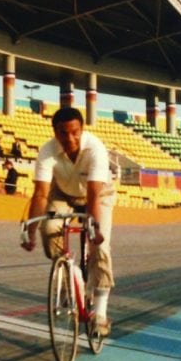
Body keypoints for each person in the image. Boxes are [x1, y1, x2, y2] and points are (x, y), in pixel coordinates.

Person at [21, 107, 115, 336]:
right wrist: (30, 230)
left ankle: (100, 314)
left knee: (100, 247)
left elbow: (93, 196)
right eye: (63, 133)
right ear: (55, 132)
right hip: (62, 194)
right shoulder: (47, 150)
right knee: (50, 228)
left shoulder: (96, 150)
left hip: (97, 196)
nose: (69, 138)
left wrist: (94, 230)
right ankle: (70, 275)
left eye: (74, 132)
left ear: (81, 129)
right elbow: (41, 194)